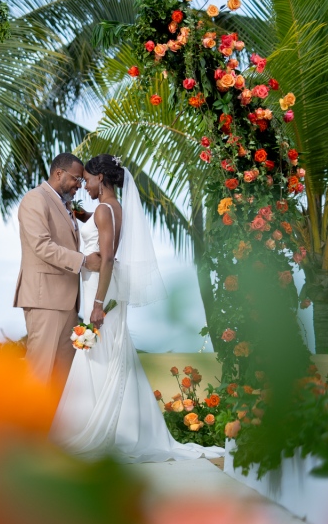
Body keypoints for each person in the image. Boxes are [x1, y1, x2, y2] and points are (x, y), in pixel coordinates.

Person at [50, 154, 223, 462]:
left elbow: (105, 260)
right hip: (103, 291)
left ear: (101, 179)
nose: (84, 185)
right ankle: (119, 425)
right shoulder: (113, 208)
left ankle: (99, 428)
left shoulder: (104, 210)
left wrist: (98, 305)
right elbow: (92, 223)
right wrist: (69, 207)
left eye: (87, 180)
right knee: (108, 354)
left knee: (97, 356)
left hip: (100, 294)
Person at [13, 153, 101, 395]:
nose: (79, 186)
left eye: (83, 181)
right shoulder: (35, 200)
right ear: (59, 174)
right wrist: (84, 261)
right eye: (76, 179)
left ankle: (55, 430)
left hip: (68, 303)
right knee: (38, 372)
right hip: (44, 300)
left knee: (65, 376)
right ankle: (27, 430)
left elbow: (95, 223)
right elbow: (42, 246)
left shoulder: (67, 204)